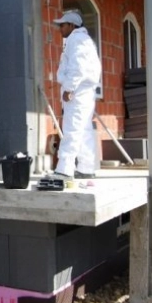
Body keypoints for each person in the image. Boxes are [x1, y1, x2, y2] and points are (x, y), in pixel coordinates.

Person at [52, 11, 102, 180]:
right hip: (85, 92)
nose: (60, 28)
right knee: (84, 130)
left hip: (77, 92)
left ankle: (64, 170)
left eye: (63, 25)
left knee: (72, 129)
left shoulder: (76, 39)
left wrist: (69, 89)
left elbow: (77, 67)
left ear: (72, 25)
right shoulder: (84, 40)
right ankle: (86, 168)